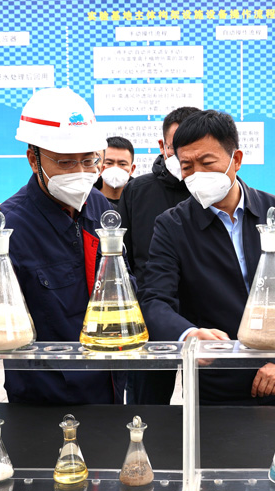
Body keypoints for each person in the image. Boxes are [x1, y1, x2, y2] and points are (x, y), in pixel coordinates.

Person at [0, 87, 121, 404]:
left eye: (89, 161)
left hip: (111, 383)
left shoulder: (98, 205)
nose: (81, 173)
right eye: (65, 163)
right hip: (44, 399)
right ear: (33, 160)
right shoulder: (5, 228)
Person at [139, 110, 275, 405]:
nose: (197, 174)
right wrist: (188, 335)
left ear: (236, 159)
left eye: (207, 163)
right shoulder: (173, 225)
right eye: (187, 166)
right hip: (214, 383)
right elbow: (154, 299)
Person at [117, 106, 200, 404]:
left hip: (205, 326)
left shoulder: (212, 192)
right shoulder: (137, 191)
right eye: (177, 145)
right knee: (146, 412)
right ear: (162, 146)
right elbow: (122, 258)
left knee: (205, 414)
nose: (184, 154)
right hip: (149, 324)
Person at [94, 136, 136, 208]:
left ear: (132, 169)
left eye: (122, 164)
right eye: (109, 163)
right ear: (100, 166)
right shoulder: (88, 198)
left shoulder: (141, 200)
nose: (115, 168)